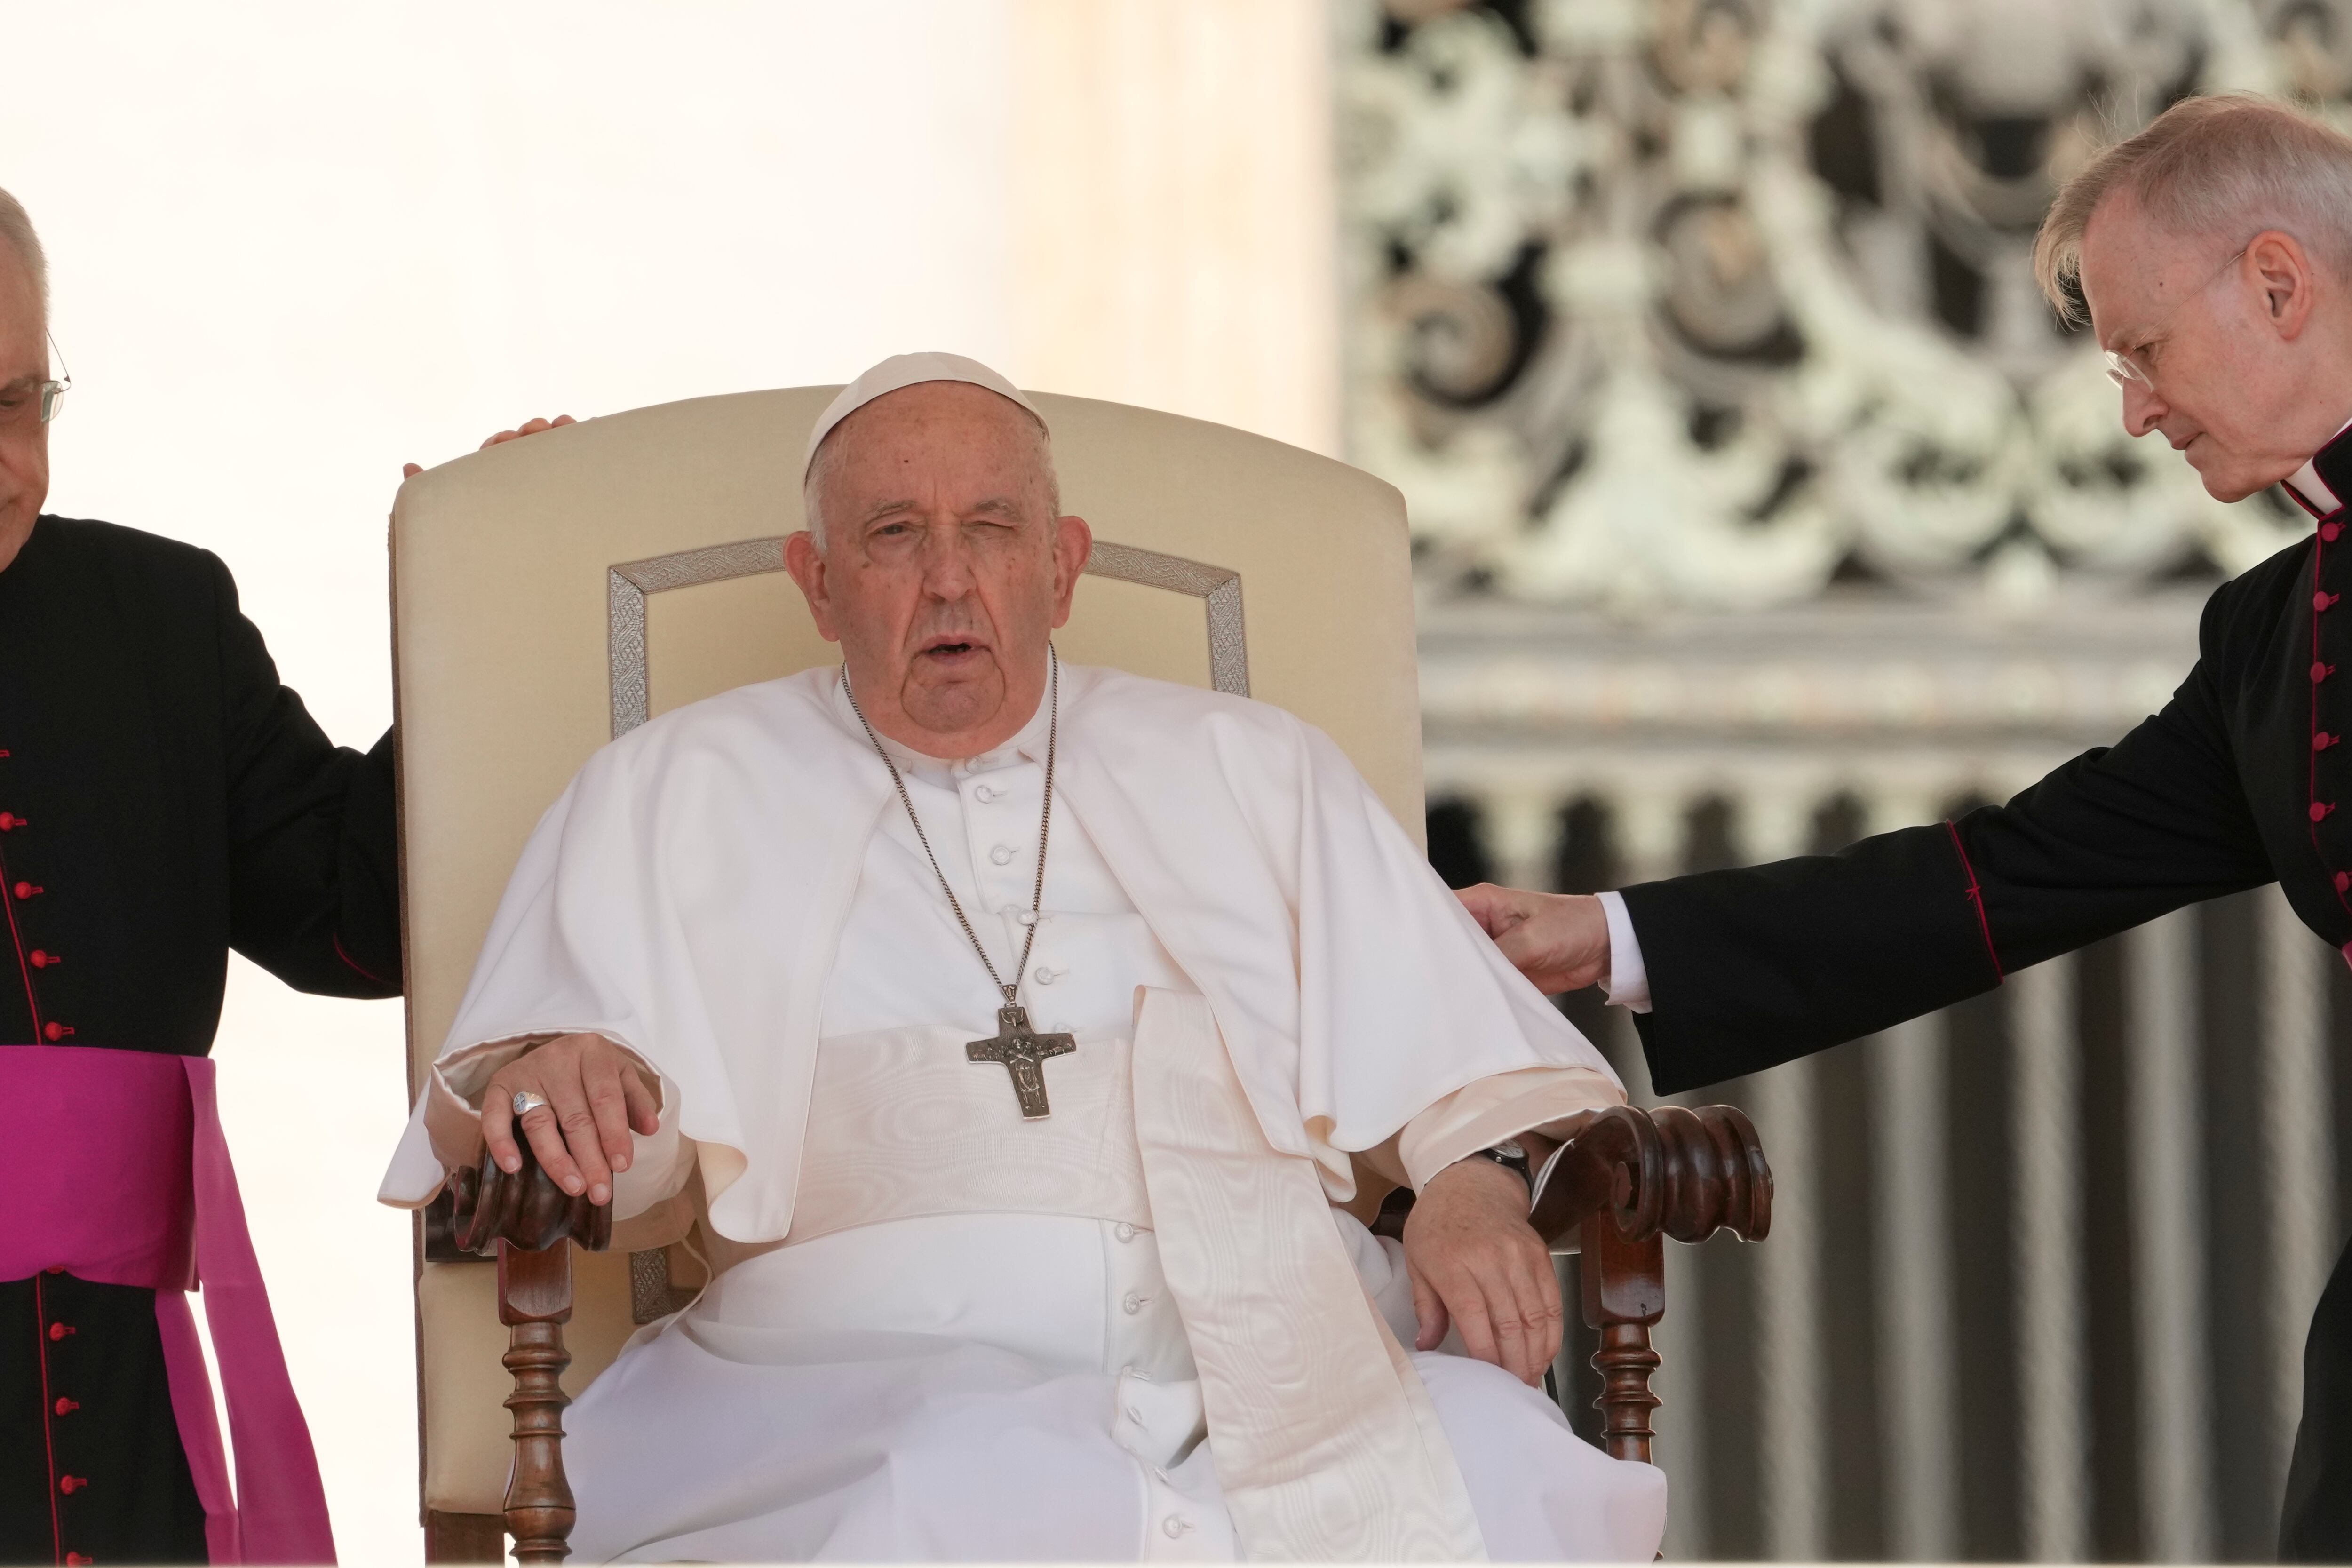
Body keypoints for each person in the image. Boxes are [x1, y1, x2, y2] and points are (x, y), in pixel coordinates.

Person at [379, 352, 1669, 1562]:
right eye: (894, 536)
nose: (951, 580)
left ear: (1062, 567)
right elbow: (596, 1122)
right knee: (982, 1485)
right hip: (851, 1373)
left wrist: (1475, 1178)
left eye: (992, 531)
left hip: (1288, 1356)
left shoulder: (1258, 769)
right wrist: (570, 1077)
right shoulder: (671, 792)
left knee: (1505, 1468)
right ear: (816, 581)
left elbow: (1461, 1063)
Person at [1454, 94, 2352, 1562]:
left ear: (2275, 280)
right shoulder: (2275, 632)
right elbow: (2010, 873)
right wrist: (1609, 936)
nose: (2133, 409)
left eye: (2144, 350)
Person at [0, 184, 559, 1567]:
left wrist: (471, 618)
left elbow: (350, 923)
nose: (0, 461)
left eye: (19, 405)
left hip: (121, 1427)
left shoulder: (161, 621)